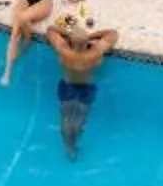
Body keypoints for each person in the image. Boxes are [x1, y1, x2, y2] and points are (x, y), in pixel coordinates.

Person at [45, 9, 120, 159]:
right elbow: (113, 34)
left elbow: (50, 30)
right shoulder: (94, 53)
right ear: (86, 42)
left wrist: (68, 34)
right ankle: (75, 144)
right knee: (80, 117)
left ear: (71, 41)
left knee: (65, 117)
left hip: (67, 87)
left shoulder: (63, 49)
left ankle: (68, 147)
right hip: (86, 89)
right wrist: (90, 36)